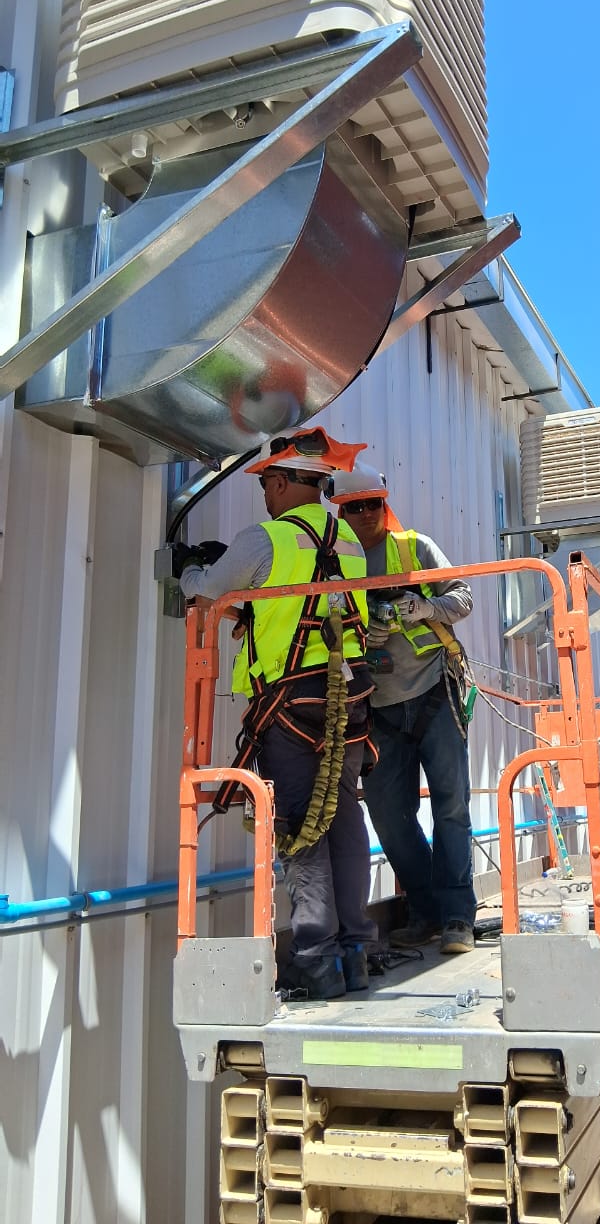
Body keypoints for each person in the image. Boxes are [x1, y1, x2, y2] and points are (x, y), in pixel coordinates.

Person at [173, 427, 377, 1001]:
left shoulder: (265, 539)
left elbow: (209, 590)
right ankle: (355, 951)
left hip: (294, 704)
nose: (265, 495)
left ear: (285, 482)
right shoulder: (351, 544)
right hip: (349, 700)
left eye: (267, 484)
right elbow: (302, 598)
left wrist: (190, 571)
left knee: (299, 826)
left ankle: (314, 958)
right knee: (341, 817)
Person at [328, 462, 477, 955]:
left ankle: (457, 917)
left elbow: (464, 595)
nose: (364, 514)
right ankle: (426, 908)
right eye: (353, 507)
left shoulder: (414, 547)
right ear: (340, 510)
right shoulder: (335, 562)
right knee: (390, 816)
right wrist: (354, 636)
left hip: (434, 691)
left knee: (451, 806)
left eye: (371, 504)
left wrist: (427, 608)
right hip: (379, 704)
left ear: (383, 504)